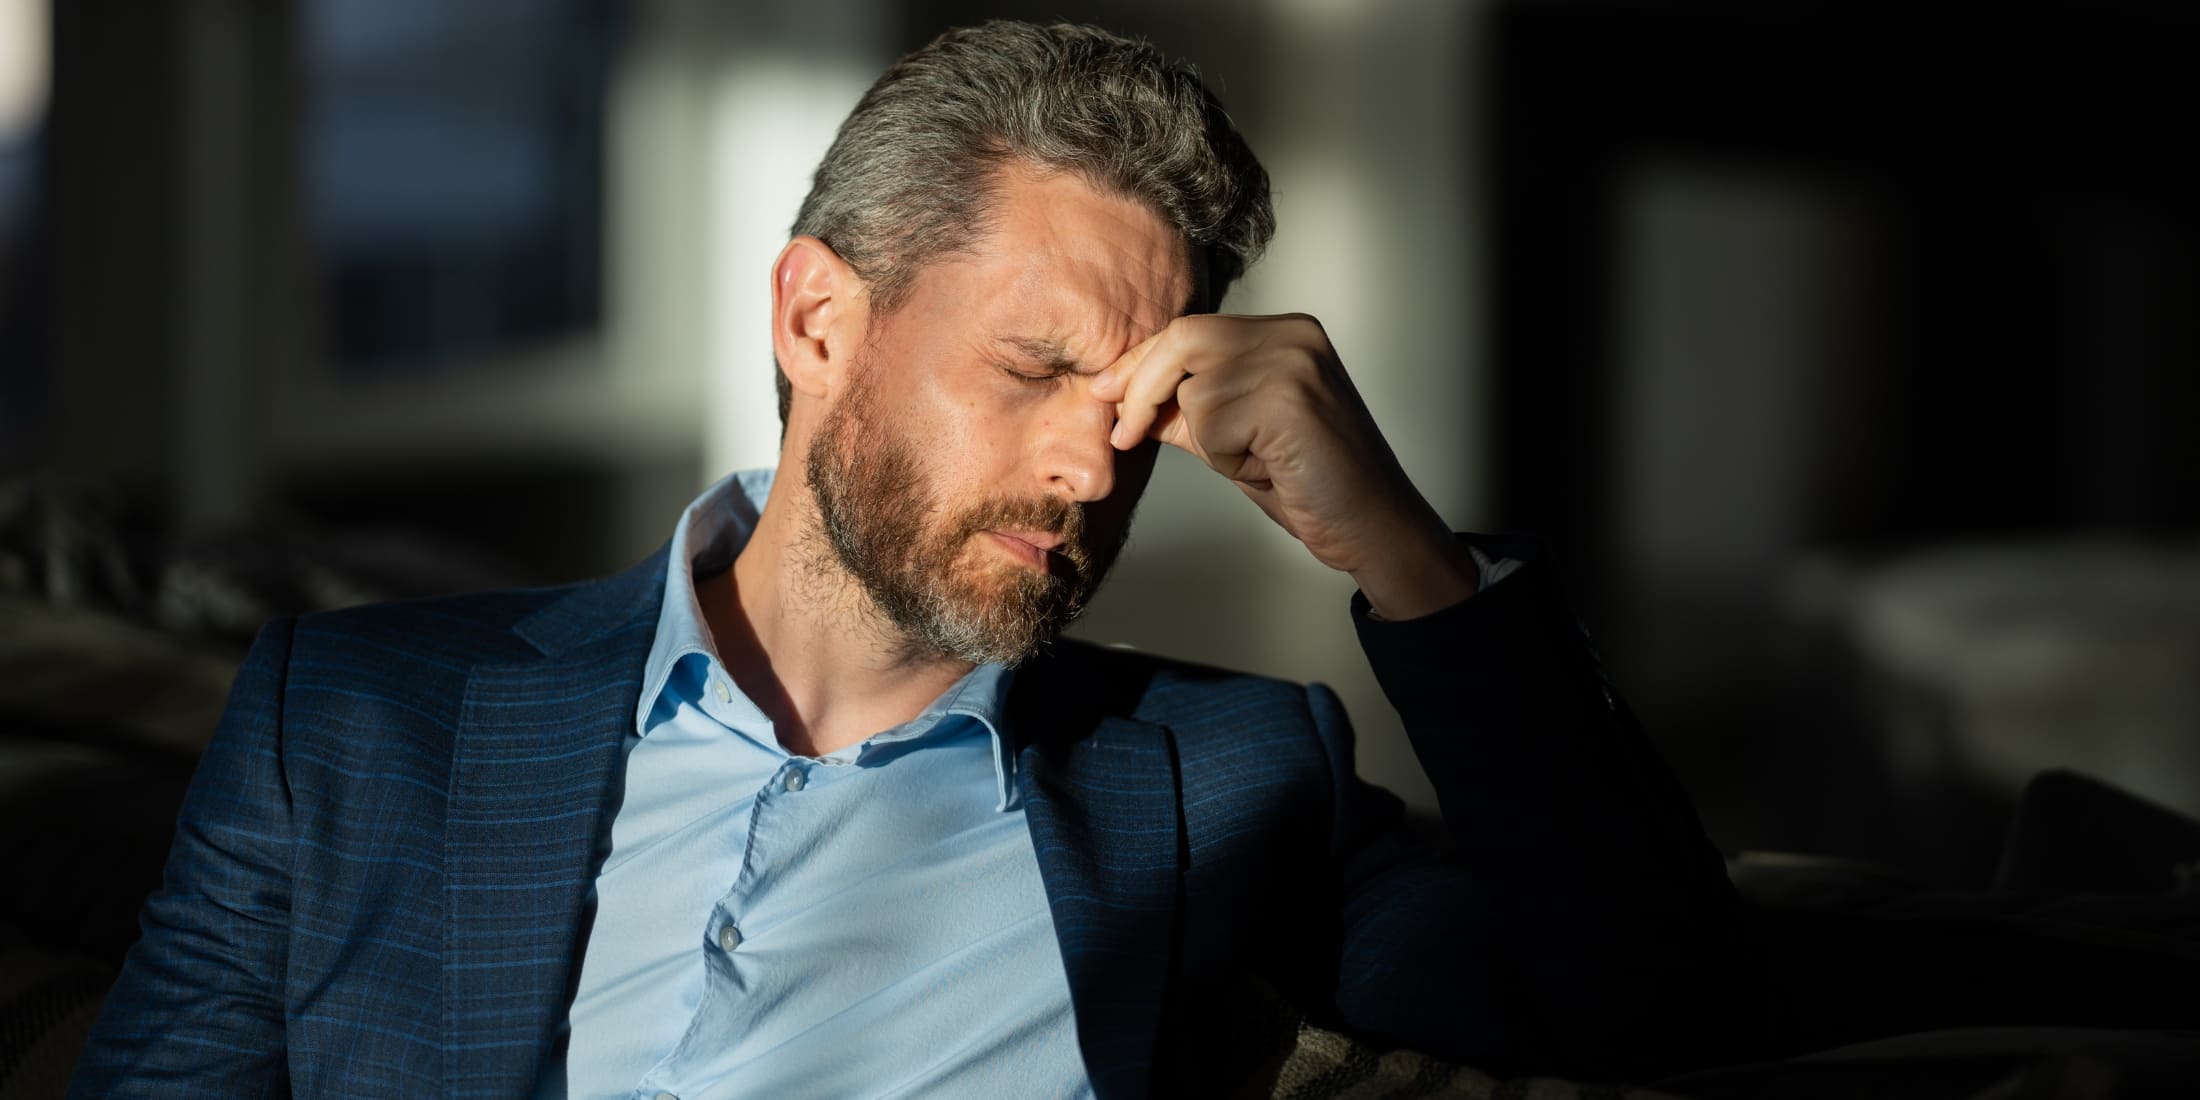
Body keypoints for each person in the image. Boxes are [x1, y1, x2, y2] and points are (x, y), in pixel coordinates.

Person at [72, 21, 1758, 1099]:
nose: (1092, 462)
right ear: (819, 317)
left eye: (1137, 406)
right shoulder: (358, 720)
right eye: (1034, 371)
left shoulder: (1232, 782)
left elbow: (1660, 1018)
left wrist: (1405, 554)